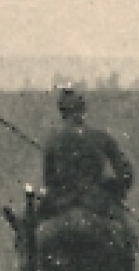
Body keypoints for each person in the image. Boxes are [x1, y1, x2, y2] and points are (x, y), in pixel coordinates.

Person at [39, 85, 133, 225]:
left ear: (63, 114)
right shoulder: (102, 138)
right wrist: (113, 189)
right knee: (127, 235)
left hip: (60, 204)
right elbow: (124, 173)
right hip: (98, 203)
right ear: (83, 111)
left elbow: (49, 180)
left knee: (30, 229)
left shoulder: (53, 141)